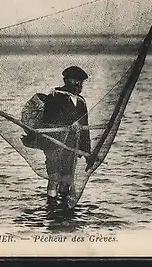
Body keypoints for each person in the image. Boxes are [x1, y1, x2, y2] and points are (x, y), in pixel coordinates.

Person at [40, 66, 93, 206]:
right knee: (55, 175)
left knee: (67, 177)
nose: (78, 85)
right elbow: (48, 118)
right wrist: (70, 124)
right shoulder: (55, 95)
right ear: (66, 81)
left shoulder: (81, 101)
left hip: (71, 145)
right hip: (54, 142)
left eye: (81, 83)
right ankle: (51, 206)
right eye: (75, 81)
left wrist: (87, 152)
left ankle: (63, 206)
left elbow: (85, 128)